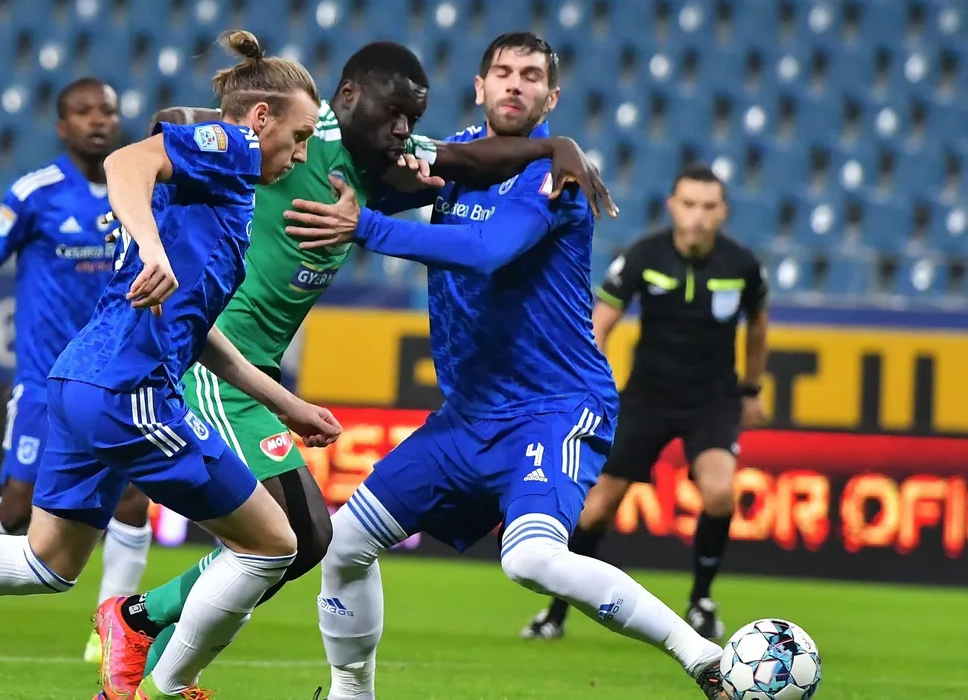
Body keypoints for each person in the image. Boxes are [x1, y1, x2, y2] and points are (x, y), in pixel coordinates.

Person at [0, 31, 340, 700]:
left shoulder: (225, 189)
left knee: (48, 560)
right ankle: (160, 677)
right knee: (275, 544)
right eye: (299, 136)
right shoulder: (233, 147)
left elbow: (195, 327)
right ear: (261, 117)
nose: (300, 154)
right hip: (129, 390)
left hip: (80, 381)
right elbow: (127, 161)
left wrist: (283, 401)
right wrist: (149, 245)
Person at [93, 38, 618, 700]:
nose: (403, 130)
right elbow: (181, 122)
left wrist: (557, 148)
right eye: (393, 114)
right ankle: (154, 660)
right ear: (348, 99)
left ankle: (144, 631)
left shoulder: (379, 161)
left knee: (301, 540)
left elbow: (469, 160)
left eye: (411, 119)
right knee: (288, 538)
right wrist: (161, 201)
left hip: (258, 374)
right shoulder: (303, 132)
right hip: (216, 359)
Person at [284, 32, 729, 700]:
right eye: (502, 71)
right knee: (343, 544)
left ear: (551, 97)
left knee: (530, 559)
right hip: (467, 419)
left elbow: (488, 249)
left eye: (530, 75)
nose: (515, 83)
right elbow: (376, 178)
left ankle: (702, 658)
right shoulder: (452, 155)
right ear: (479, 87)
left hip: (554, 407)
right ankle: (352, 695)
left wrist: (365, 228)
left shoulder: (557, 176)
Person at [0, 76, 155, 663]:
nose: (98, 120)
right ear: (61, 126)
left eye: (107, 110)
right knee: (19, 508)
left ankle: (111, 631)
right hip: (45, 379)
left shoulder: (139, 187)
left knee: (132, 501)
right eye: (84, 112)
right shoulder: (36, 192)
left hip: (118, 377)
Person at [522, 164, 769, 643]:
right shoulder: (644, 255)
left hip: (712, 400)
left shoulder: (742, 265)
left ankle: (701, 602)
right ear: (672, 206)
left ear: (723, 212)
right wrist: (589, 386)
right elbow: (601, 322)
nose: (698, 216)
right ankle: (556, 612)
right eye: (689, 204)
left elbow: (758, 326)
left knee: (720, 492)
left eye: (708, 206)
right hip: (647, 397)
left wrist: (752, 389)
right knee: (595, 511)